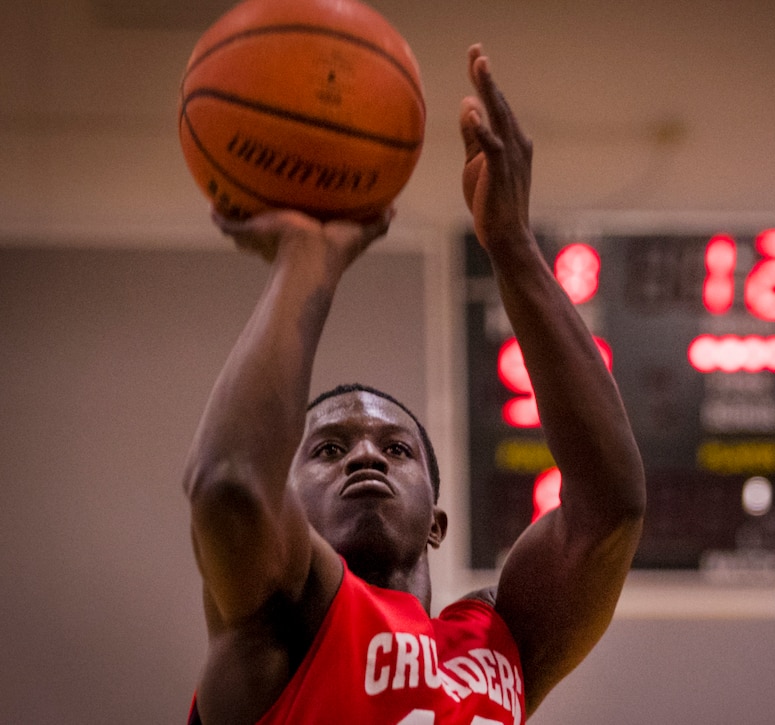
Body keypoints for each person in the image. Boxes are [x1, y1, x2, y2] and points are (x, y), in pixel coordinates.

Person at [183, 44, 646, 724]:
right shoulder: (278, 627)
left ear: (437, 521)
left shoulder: (498, 640)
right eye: (328, 448)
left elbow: (613, 508)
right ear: (289, 504)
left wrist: (513, 246)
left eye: (397, 448)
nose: (366, 454)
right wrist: (307, 259)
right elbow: (229, 483)